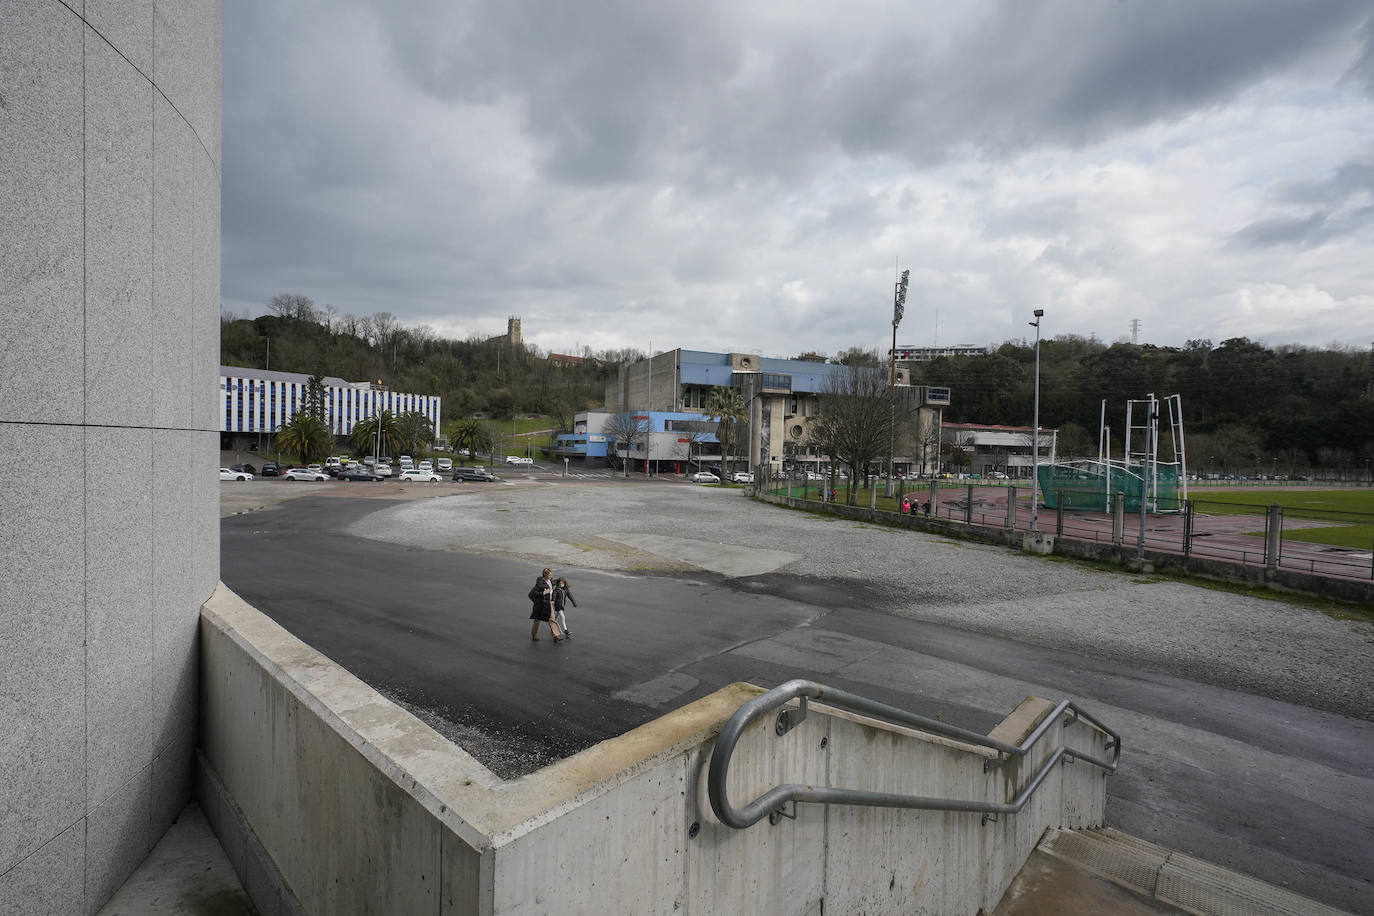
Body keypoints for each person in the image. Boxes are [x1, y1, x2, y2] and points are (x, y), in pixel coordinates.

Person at [529, 567, 564, 642]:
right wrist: (544, 593)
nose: (551, 576)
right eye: (549, 575)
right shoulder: (540, 583)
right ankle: (534, 635)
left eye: (551, 574)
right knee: (537, 620)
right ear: (545, 575)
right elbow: (535, 592)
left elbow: (553, 583)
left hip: (548, 604)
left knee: (552, 619)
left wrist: (560, 580)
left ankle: (556, 635)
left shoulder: (550, 580)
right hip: (540, 605)